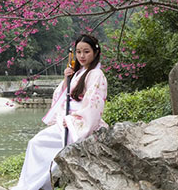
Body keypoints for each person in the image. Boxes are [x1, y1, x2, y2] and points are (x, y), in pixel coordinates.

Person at [11, 34, 108, 190]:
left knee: (38, 143)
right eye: (78, 52)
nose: (82, 56)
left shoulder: (96, 75)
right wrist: (66, 80)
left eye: (86, 52)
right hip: (68, 119)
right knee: (36, 143)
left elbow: (93, 106)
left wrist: (74, 120)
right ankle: (36, 184)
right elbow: (62, 96)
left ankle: (34, 185)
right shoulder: (78, 72)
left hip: (78, 123)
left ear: (95, 53)